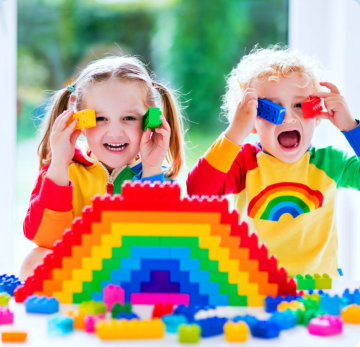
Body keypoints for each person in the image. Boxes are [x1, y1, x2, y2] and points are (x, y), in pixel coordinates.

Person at [187, 46, 360, 277]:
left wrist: (351, 127)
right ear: (252, 122)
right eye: (271, 109)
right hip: (254, 287)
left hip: (318, 289)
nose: (288, 117)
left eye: (299, 105)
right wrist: (236, 132)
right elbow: (198, 191)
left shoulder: (330, 163)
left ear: (317, 113)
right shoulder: (246, 164)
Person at [21, 55, 184, 279]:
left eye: (128, 118)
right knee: (33, 261)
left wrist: (152, 169)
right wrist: (59, 164)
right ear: (79, 120)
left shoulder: (156, 175)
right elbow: (44, 238)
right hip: (80, 271)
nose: (115, 132)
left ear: (150, 120)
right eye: (100, 119)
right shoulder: (63, 170)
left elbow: (160, 241)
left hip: (132, 272)